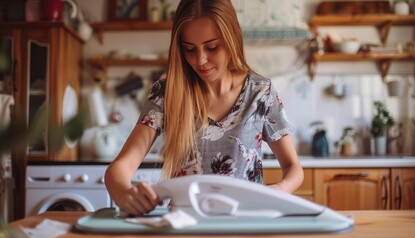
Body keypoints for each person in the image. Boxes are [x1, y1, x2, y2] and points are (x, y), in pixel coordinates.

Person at [105, 0, 304, 216]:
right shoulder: (167, 93)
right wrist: (124, 193)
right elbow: (119, 168)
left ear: (232, 39)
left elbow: (293, 168)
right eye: (190, 49)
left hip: (246, 224)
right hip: (185, 226)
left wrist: (278, 190)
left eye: (211, 47)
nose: (200, 60)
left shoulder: (260, 92)